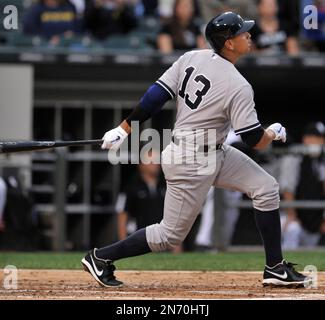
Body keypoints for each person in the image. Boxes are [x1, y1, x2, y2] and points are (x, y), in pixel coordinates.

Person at [81, 11, 308, 288]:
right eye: (242, 33)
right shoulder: (238, 85)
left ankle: (274, 268)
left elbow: (155, 96)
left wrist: (123, 129)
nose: (249, 35)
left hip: (214, 151)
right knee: (169, 236)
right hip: (190, 159)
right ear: (228, 42)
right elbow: (254, 141)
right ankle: (100, 257)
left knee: (265, 188)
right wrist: (273, 132)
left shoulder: (192, 57)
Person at [279, 122, 325, 249]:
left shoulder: (320, 160)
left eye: (321, 138)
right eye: (315, 137)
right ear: (305, 138)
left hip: (313, 221)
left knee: (308, 259)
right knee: (293, 229)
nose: (319, 142)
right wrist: (292, 216)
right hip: (288, 216)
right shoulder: (293, 155)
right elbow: (287, 190)